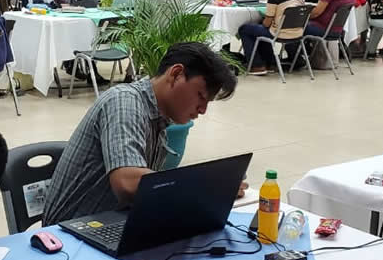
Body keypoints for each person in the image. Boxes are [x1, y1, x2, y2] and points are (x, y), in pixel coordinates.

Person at [43, 42, 239, 225]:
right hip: (68, 239)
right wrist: (205, 188)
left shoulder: (158, 120)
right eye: (201, 96)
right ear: (176, 74)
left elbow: (149, 193)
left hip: (110, 224)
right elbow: (127, 182)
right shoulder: (124, 102)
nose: (203, 110)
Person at [237, 0, 310, 75]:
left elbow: (267, 23)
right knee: (259, 28)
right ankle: (270, 63)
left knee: (245, 29)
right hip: (298, 31)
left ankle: (257, 65)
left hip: (279, 33)